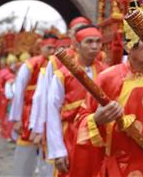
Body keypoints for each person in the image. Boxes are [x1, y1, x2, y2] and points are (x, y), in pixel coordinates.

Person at [73, 19, 143, 176]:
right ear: (128, 46)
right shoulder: (107, 77)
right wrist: (96, 120)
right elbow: (81, 118)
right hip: (117, 167)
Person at [46, 24, 107, 176]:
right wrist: (57, 151)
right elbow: (52, 112)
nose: (94, 46)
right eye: (89, 42)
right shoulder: (62, 75)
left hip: (99, 137)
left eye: (98, 42)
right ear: (77, 45)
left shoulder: (106, 72)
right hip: (71, 136)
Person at [8, 33, 57, 176]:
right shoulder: (31, 64)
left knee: (47, 152)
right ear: (41, 47)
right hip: (29, 112)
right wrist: (16, 118)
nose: (52, 52)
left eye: (55, 48)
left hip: (49, 113)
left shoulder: (57, 64)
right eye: (49, 48)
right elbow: (18, 92)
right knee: (26, 149)